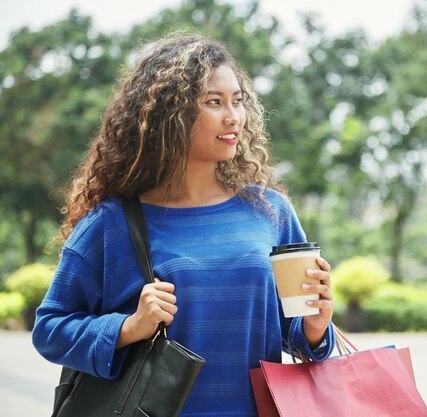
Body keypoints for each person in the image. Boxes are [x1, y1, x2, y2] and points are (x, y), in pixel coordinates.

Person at [32, 33, 335, 417]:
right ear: (168, 114)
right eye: (214, 102)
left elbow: (293, 334)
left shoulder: (269, 211)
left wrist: (314, 326)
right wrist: (128, 327)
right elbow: (50, 329)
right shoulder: (112, 224)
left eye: (237, 101)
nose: (233, 117)